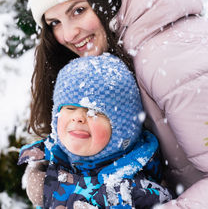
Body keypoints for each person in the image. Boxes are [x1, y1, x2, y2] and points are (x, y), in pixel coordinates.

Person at [25, 0, 208, 208]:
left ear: (104, 1)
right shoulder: (124, 54)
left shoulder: (168, 60)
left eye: (78, 10)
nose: (68, 34)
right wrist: (62, 175)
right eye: (55, 23)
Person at [18, 53, 172, 208]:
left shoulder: (136, 192)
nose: (78, 117)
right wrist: (40, 179)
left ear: (123, 128)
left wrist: (49, 190)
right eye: (70, 108)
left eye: (93, 111)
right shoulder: (49, 162)